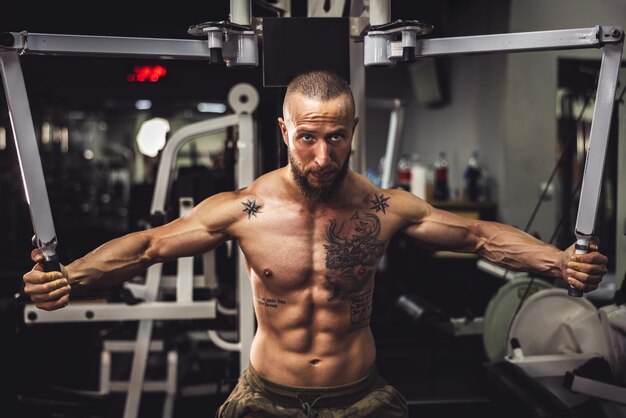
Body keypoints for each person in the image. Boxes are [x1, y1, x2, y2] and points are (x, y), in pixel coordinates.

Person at [23, 70, 608, 418]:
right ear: (284, 131)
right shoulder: (244, 209)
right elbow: (149, 246)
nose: (322, 157)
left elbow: (479, 236)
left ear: (353, 132)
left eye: (335, 139)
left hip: (361, 397)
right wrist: (68, 276)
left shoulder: (383, 208)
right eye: (307, 138)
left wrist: (559, 262)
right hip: (264, 399)